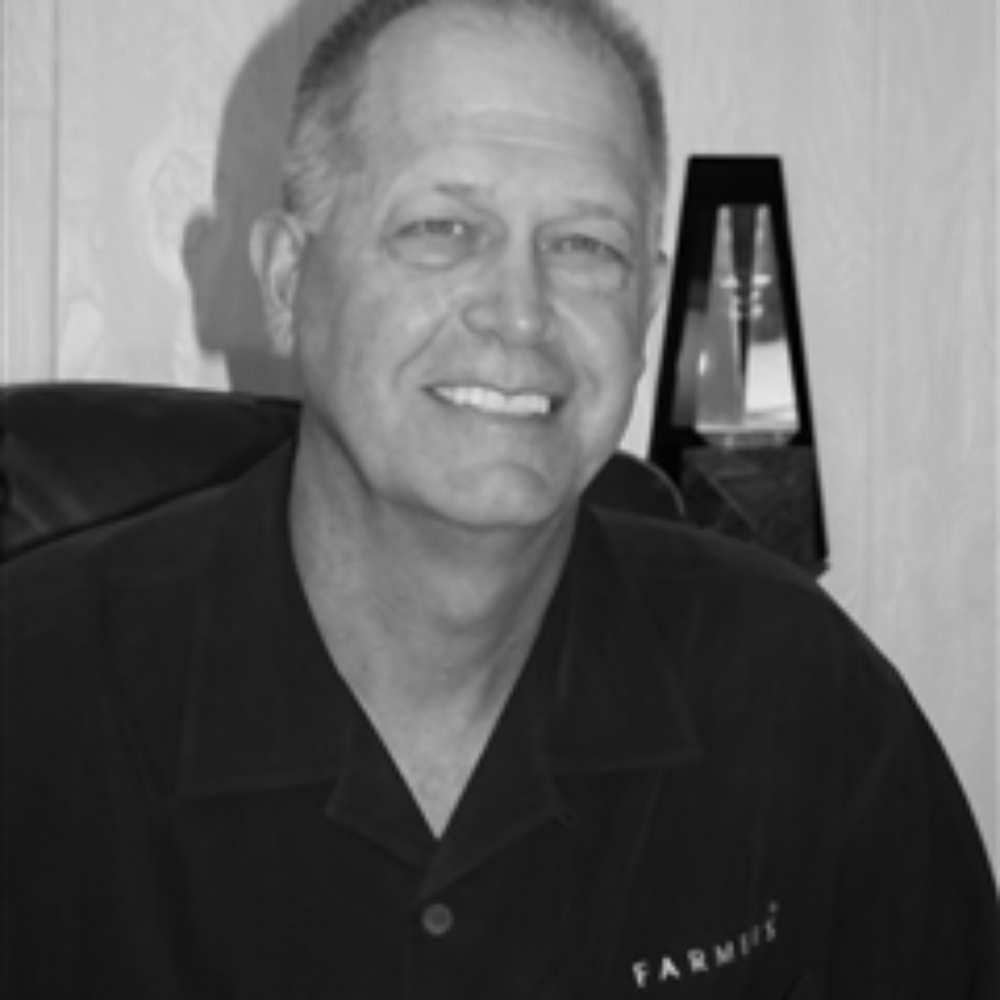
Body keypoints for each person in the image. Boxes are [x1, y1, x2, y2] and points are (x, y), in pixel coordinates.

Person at [5, 0, 998, 996]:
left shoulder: (801, 698)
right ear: (287, 280)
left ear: (647, 306)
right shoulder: (35, 704)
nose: (521, 313)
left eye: (586, 246)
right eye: (442, 228)